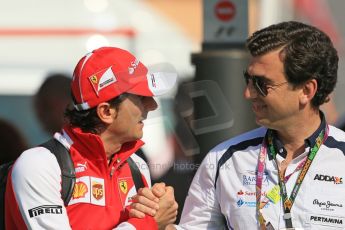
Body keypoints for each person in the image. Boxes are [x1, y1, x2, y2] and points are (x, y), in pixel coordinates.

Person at [131, 21, 345, 229]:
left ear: (307, 91)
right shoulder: (224, 158)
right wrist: (157, 222)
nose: (248, 94)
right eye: (248, 80)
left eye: (262, 84)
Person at [5, 47, 178, 229]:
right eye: (141, 97)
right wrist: (150, 223)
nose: (152, 105)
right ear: (106, 111)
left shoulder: (136, 166)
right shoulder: (39, 165)